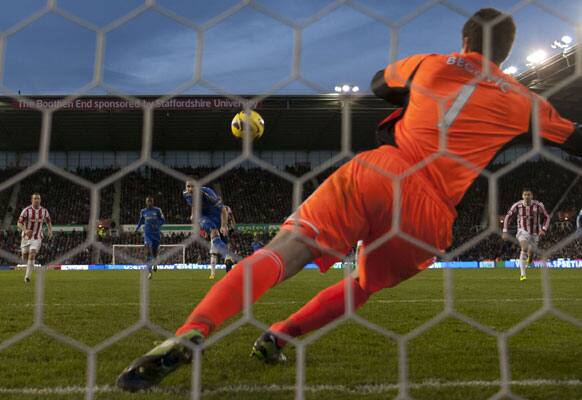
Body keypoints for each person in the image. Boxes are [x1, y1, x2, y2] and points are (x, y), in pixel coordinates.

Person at [117, 8, 582, 391]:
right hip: (431, 212)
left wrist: (417, 93)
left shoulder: (431, 63)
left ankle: (193, 329)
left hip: (382, 170)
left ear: (464, 38)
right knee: (363, 285)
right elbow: (573, 139)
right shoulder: (523, 99)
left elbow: (381, 82)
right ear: (506, 51)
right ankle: (280, 336)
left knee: (284, 252)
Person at [183, 182, 228, 279]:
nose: (190, 189)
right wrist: (193, 215)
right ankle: (212, 273)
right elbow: (193, 204)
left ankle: (229, 273)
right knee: (214, 250)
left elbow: (224, 210)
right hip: (204, 217)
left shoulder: (208, 193)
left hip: (218, 220)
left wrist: (224, 225)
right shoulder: (186, 195)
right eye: (188, 186)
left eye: (192, 186)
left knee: (224, 247)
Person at [502, 188, 549, 281]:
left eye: (529, 195)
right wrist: (504, 230)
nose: (527, 196)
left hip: (535, 233)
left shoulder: (538, 205)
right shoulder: (517, 205)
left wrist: (543, 229)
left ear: (532, 196)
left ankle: (530, 260)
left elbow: (547, 216)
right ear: (522, 196)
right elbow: (508, 216)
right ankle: (523, 275)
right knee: (524, 248)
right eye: (525, 195)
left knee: (531, 253)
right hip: (522, 231)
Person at [17, 193, 52, 283]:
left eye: (38, 198)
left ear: (40, 200)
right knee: (25, 256)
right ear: (31, 200)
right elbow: (19, 223)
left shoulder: (44, 211)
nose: (37, 200)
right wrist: (25, 230)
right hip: (26, 237)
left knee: (32, 253)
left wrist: (50, 231)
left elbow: (48, 221)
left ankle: (27, 276)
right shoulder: (26, 210)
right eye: (35, 198)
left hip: (37, 237)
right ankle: (30, 268)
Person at [135, 197, 165, 280]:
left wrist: (157, 225)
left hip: (156, 235)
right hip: (147, 235)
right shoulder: (143, 211)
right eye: (148, 201)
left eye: (150, 201)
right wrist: (137, 229)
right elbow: (141, 220)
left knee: (154, 254)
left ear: (153, 202)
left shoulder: (158, 210)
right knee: (148, 252)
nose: (149, 203)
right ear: (146, 202)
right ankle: (150, 273)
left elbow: (163, 220)